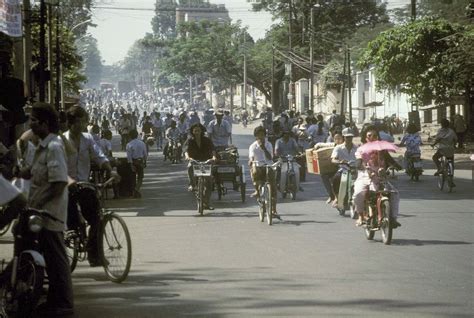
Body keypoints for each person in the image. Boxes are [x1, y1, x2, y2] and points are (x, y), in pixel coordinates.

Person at [26, 102, 74, 315]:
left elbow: (59, 182)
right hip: (38, 213)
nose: (31, 124)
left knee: (56, 259)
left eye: (34, 121)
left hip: (50, 213)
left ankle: (63, 304)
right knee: (49, 259)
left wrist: (38, 203)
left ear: (45, 124)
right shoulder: (42, 145)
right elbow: (35, 172)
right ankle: (53, 299)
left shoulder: (54, 146)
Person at [63, 106, 113, 266]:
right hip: (65, 186)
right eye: (78, 121)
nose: (82, 124)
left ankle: (94, 254)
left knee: (97, 219)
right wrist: (68, 181)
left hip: (84, 184)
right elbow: (56, 166)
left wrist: (110, 169)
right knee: (71, 223)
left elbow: (98, 155)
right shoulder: (61, 140)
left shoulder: (88, 139)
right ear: (70, 123)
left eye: (84, 121)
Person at [353, 128, 401, 228]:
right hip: (365, 176)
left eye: (375, 136)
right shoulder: (361, 150)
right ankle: (361, 216)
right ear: (365, 138)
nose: (372, 138)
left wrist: (397, 166)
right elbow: (358, 163)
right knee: (358, 193)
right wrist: (364, 167)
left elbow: (390, 160)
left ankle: (393, 218)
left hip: (381, 177)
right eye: (369, 136)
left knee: (395, 193)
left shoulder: (382, 151)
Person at [248, 126, 280, 219]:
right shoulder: (253, 146)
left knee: (273, 188)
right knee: (253, 171)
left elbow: (270, 157)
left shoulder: (269, 144)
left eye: (263, 135)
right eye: (259, 135)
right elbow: (251, 157)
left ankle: (274, 209)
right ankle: (257, 191)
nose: (261, 137)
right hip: (258, 166)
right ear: (256, 136)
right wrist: (250, 161)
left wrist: (264, 148)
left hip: (268, 166)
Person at [185, 123, 217, 210]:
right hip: (195, 161)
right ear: (192, 132)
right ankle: (192, 184)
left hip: (206, 161)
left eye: (198, 130)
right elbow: (186, 151)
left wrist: (214, 157)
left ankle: (206, 203)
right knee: (189, 166)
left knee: (209, 182)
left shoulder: (207, 140)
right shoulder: (190, 141)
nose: (197, 132)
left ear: (201, 131)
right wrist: (188, 157)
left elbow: (213, 149)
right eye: (195, 131)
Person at [330, 128, 358, 206]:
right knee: (335, 179)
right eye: (347, 137)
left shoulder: (357, 148)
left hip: (355, 170)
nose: (349, 139)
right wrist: (339, 162)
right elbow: (333, 159)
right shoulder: (338, 148)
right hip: (344, 170)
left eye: (350, 137)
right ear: (343, 137)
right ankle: (336, 197)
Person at [314, 133, 344, 204]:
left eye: (339, 138)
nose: (338, 140)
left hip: (344, 168)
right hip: (335, 167)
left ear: (343, 138)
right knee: (324, 175)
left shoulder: (345, 146)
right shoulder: (333, 145)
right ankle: (331, 195)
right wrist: (316, 146)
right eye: (336, 139)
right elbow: (320, 144)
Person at [126, 129, 148, 198]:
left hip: (133, 161)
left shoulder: (129, 144)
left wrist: (131, 164)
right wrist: (145, 161)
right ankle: (137, 189)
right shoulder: (142, 143)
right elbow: (145, 154)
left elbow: (129, 156)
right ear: (137, 135)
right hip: (140, 161)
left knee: (133, 177)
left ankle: (134, 191)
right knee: (140, 177)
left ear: (130, 136)